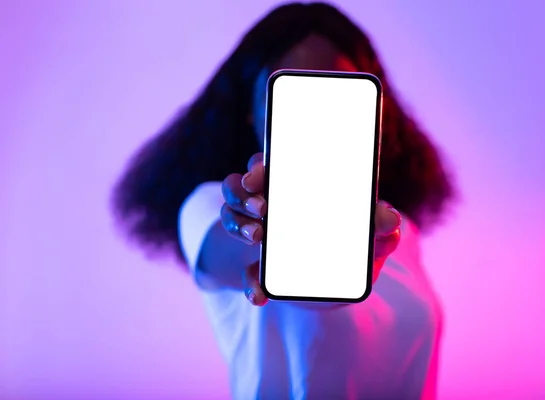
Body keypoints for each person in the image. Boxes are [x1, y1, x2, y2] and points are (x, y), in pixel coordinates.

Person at [111, 2, 455, 399]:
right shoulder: (206, 208)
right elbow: (291, 282)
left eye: (335, 94)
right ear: (251, 112)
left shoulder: (400, 230)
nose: (316, 120)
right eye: (291, 96)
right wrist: (263, 236)